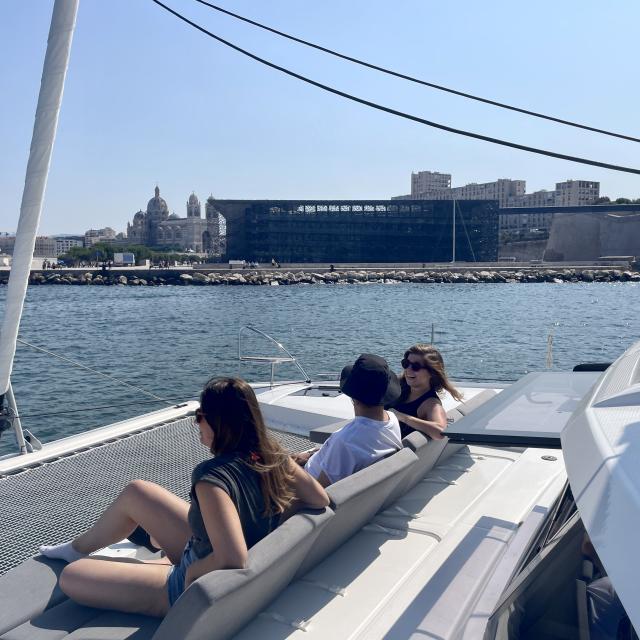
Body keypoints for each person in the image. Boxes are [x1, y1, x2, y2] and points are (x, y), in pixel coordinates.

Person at [39, 377, 329, 617]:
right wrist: (276, 514)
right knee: (138, 491)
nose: (196, 424)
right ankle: (78, 547)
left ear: (218, 423)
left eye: (199, 416)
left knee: (72, 576)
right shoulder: (273, 456)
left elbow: (232, 557)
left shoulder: (212, 479)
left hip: (191, 582)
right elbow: (319, 499)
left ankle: (146, 564)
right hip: (207, 548)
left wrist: (191, 573)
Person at [296, 354, 402, 486]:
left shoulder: (346, 441)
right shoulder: (391, 419)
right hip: (314, 461)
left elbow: (321, 491)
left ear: (354, 397)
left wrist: (291, 467)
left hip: (306, 482)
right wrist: (312, 454)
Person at [389, 344, 462, 440]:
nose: (408, 369)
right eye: (406, 364)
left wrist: (401, 416)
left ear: (431, 372)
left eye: (416, 366)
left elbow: (440, 432)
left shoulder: (431, 403)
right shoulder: (399, 387)